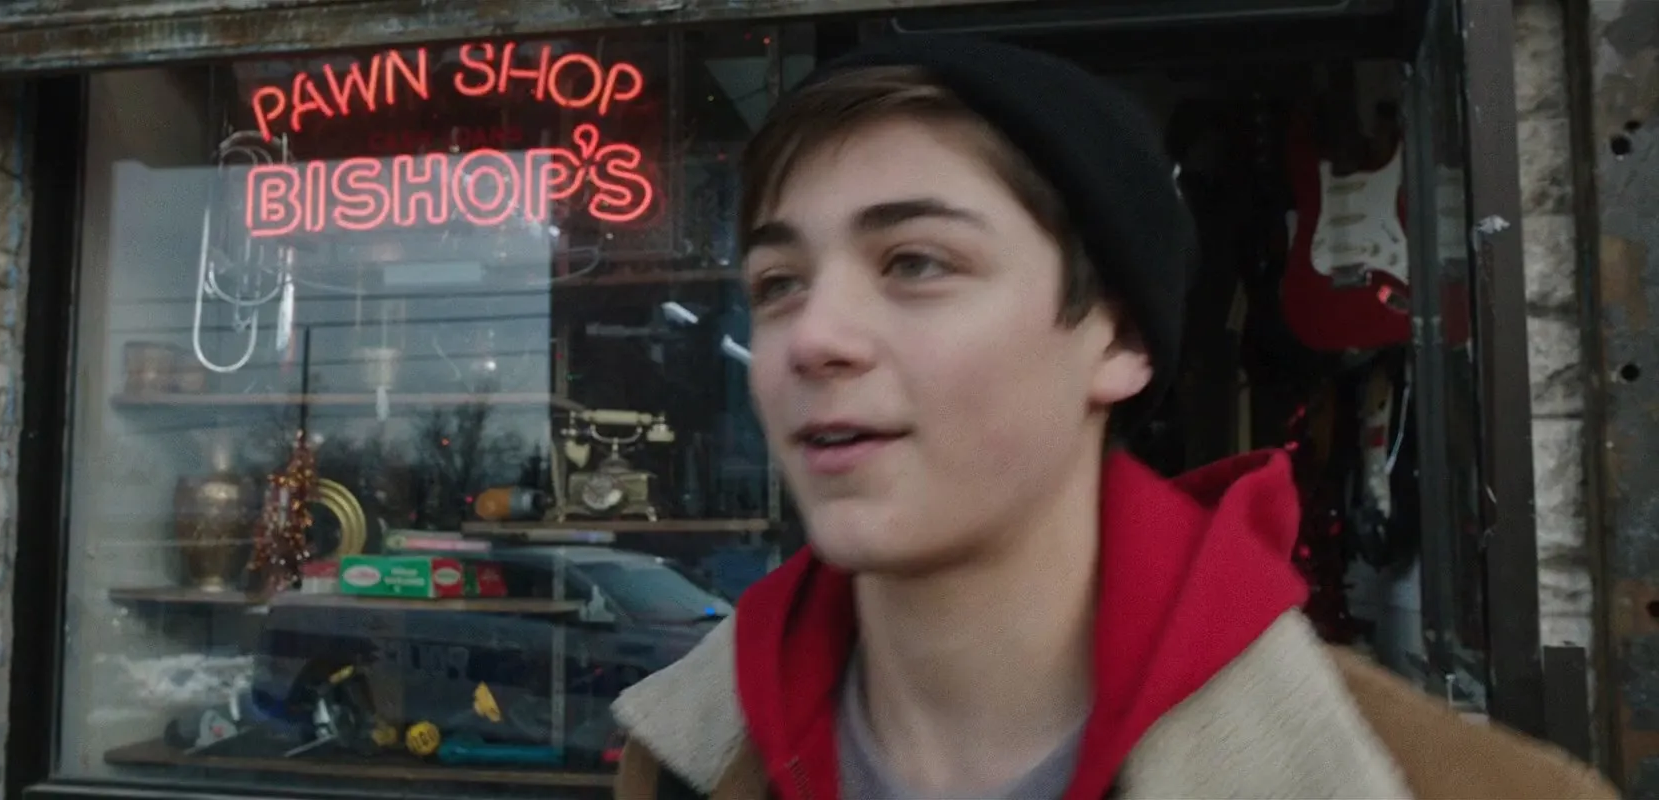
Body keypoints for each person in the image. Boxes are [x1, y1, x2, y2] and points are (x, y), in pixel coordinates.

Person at [609, 36, 1617, 800]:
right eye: (779, 282)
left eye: (915, 262)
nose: (812, 335)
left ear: (1120, 339)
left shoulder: (1445, 783)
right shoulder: (687, 753)